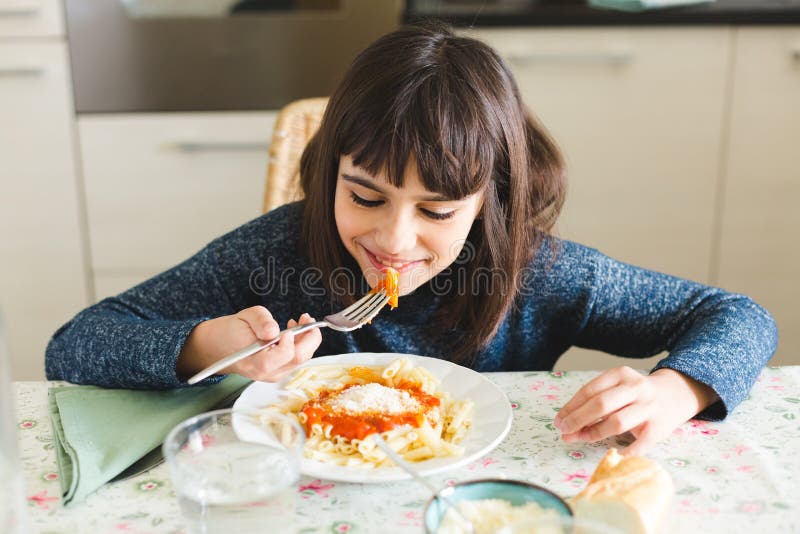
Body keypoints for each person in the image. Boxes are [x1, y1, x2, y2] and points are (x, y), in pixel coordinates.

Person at [46, 22, 777, 455]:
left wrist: (676, 390)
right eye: (365, 196)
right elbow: (76, 343)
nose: (395, 239)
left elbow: (741, 315)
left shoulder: (538, 274)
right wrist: (209, 346)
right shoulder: (276, 253)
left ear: (489, 200)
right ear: (330, 171)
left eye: (438, 211)